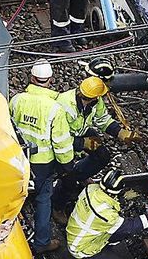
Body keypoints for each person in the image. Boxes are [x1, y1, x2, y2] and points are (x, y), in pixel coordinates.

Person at [52, 75, 140, 219]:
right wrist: (81, 143)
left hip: (81, 130)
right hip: (62, 141)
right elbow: (57, 137)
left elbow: (102, 119)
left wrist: (119, 132)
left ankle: (81, 174)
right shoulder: (64, 105)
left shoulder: (95, 101)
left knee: (102, 155)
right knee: (68, 179)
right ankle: (57, 206)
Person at [9, 60, 73, 253]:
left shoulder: (17, 100)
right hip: (43, 165)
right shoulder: (55, 109)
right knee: (43, 199)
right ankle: (41, 242)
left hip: (17, 159)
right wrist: (67, 166)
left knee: (11, 196)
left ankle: (4, 239)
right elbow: (61, 144)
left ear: (32, 78)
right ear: (51, 80)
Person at [65, 168, 148, 259]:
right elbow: (130, 227)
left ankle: (106, 249)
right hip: (82, 250)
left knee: (120, 233)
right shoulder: (106, 216)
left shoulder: (90, 189)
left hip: (79, 235)